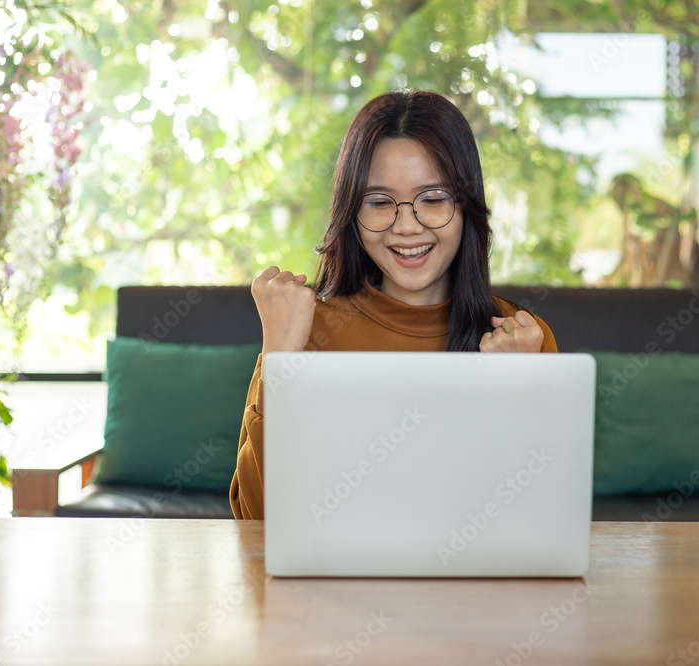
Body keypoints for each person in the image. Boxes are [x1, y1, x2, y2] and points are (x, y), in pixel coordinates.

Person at [229, 89, 558, 520]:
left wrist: (515, 395)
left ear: (467, 207)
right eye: (380, 203)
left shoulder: (521, 338)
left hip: (474, 585)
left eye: (434, 199)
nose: (406, 226)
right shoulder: (300, 331)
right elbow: (256, 523)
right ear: (352, 211)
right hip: (333, 584)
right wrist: (280, 359)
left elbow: (541, 521)